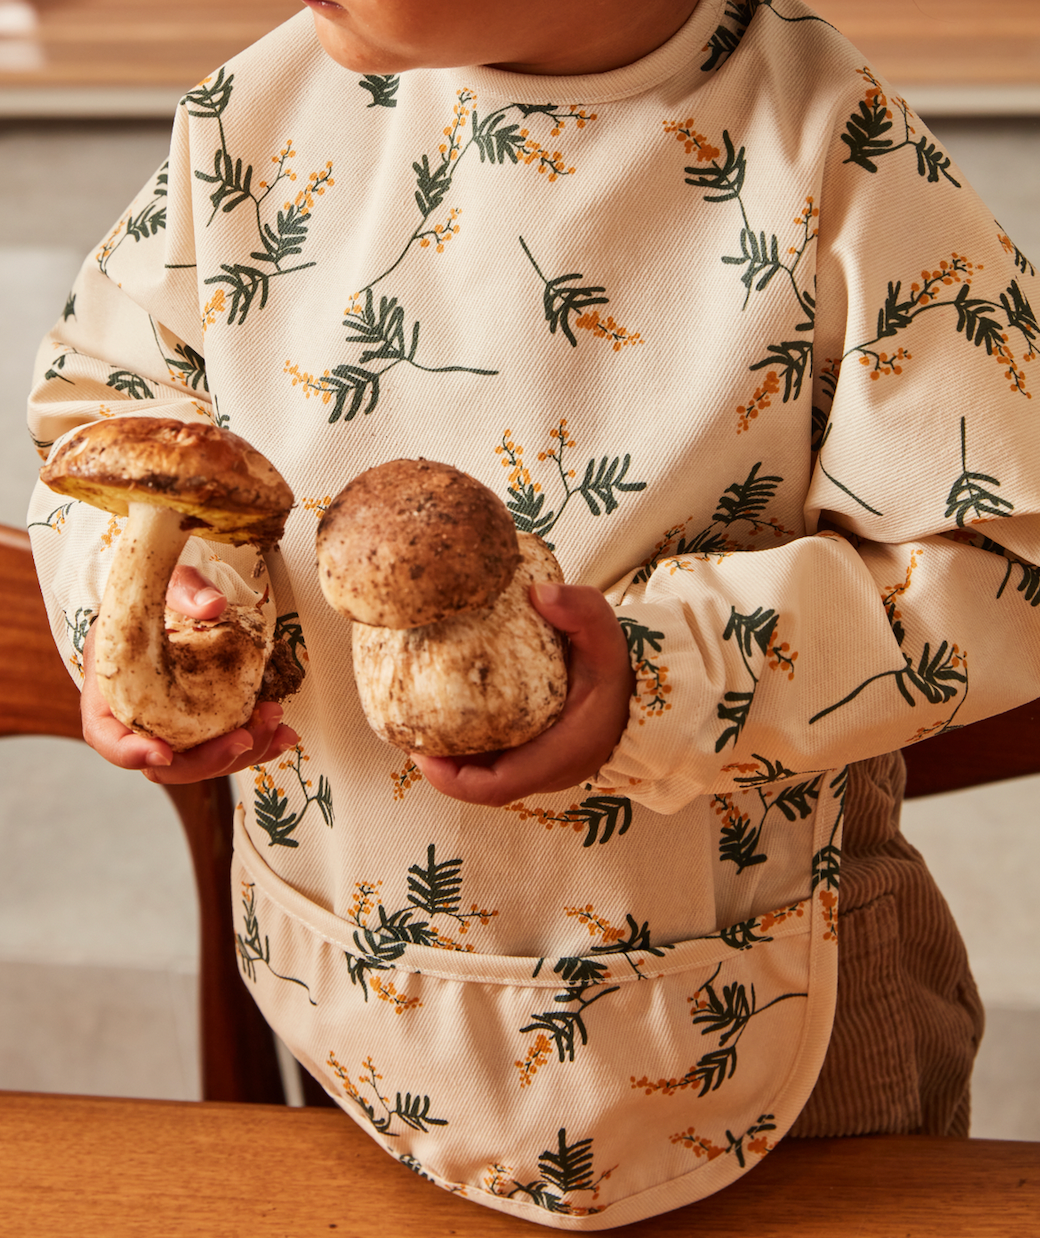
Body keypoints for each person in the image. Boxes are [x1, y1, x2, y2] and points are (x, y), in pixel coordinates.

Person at [26, 0, 1039, 1226]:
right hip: (354, 1001)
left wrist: (657, 674)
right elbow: (104, 403)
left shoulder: (833, 155)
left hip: (777, 1040)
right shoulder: (254, 117)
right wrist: (139, 606)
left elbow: (998, 556)